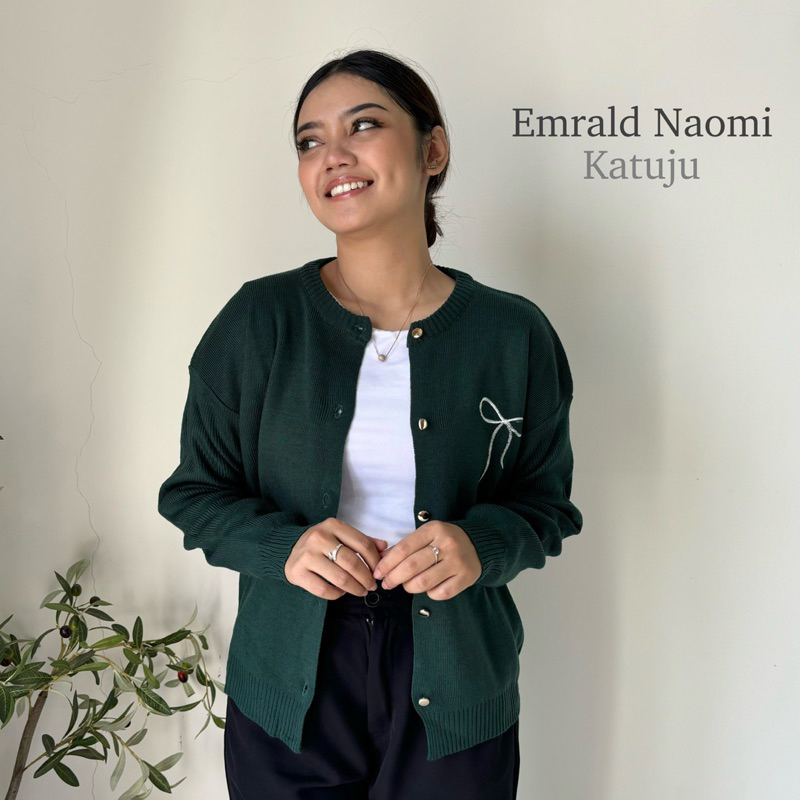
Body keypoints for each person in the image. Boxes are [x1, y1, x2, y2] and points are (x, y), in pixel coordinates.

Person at [158, 49, 582, 800]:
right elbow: (194, 494)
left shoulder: (513, 334)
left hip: (457, 681)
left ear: (432, 150)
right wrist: (286, 547)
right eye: (309, 140)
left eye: (363, 125)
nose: (334, 155)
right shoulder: (260, 321)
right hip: (289, 684)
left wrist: (479, 545)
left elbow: (546, 508)